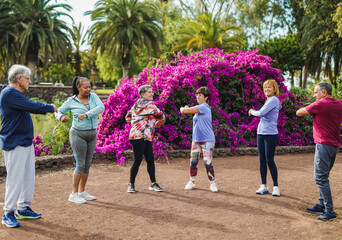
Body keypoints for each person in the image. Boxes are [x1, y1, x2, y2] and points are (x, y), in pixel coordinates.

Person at [0, 64, 57, 228]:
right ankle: (8, 213)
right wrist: (50, 107)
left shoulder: (16, 94)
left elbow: (29, 105)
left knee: (27, 178)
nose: (30, 82)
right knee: (15, 179)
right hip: (14, 143)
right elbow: (34, 106)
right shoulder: (9, 93)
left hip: (24, 141)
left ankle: (23, 208)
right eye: (28, 78)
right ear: (19, 79)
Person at [296, 82, 342, 221]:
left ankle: (329, 211)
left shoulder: (320, 104)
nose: (314, 95)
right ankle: (322, 204)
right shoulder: (339, 103)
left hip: (323, 144)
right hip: (334, 145)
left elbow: (299, 112)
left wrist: (312, 106)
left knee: (320, 178)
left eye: (316, 92)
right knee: (324, 176)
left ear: (324, 92)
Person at [55, 77, 104, 204]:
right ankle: (73, 194)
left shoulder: (93, 97)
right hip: (78, 134)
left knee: (87, 163)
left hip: (92, 134)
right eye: (86, 87)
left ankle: (82, 192)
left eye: (89, 87)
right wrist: (61, 117)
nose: (88, 89)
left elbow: (101, 107)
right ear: (79, 87)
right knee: (80, 164)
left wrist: (86, 115)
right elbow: (58, 111)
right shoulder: (71, 101)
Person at [125, 85, 165, 193]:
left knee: (149, 160)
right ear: (143, 94)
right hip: (141, 136)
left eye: (152, 92)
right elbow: (161, 116)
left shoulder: (135, 105)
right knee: (139, 160)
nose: (152, 94)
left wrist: (136, 124)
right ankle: (131, 185)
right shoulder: (150, 105)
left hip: (139, 136)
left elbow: (127, 118)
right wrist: (157, 123)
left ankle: (153, 183)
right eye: (149, 92)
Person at [180, 86, 218, 192]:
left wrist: (183, 109)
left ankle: (212, 183)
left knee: (207, 161)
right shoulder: (198, 108)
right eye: (197, 95)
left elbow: (184, 111)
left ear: (206, 97)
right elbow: (191, 110)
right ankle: (192, 182)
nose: (198, 96)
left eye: (200, 95)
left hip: (207, 140)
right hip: (196, 140)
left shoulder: (204, 107)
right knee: (193, 162)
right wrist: (187, 108)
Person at [248, 79, 282, 196]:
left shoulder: (273, 100)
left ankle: (276, 187)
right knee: (262, 160)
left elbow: (261, 113)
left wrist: (252, 111)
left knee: (269, 160)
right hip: (261, 133)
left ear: (275, 89)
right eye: (265, 88)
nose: (267, 89)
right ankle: (264, 186)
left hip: (270, 134)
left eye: (269, 87)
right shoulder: (269, 100)